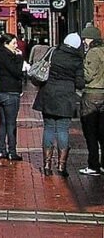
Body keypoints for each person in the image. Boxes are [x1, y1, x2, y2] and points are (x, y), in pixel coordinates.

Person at [33, 32, 85, 177]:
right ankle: (61, 166)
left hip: (48, 94)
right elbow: (80, 83)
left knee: (48, 128)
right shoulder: (77, 60)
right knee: (62, 130)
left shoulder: (53, 52)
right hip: (66, 97)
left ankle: (47, 164)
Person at [0, 32, 27, 161]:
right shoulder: (8, 56)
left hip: (0, 91)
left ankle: (1, 150)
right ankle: (12, 151)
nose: (16, 45)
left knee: (3, 122)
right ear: (6, 44)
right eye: (13, 43)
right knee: (11, 123)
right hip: (10, 92)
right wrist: (19, 57)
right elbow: (16, 71)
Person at [80, 24, 104, 175]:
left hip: (92, 94)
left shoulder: (93, 53)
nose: (84, 42)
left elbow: (88, 75)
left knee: (91, 132)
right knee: (103, 131)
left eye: (85, 38)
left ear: (91, 39)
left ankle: (93, 164)